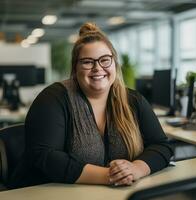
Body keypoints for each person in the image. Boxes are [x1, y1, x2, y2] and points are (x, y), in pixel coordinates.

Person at [9, 22, 174, 188]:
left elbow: (161, 145)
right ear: (75, 68)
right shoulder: (53, 98)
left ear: (115, 64)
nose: (97, 68)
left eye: (105, 60)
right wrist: (111, 175)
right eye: (87, 62)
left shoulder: (133, 99)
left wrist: (136, 169)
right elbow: (45, 157)